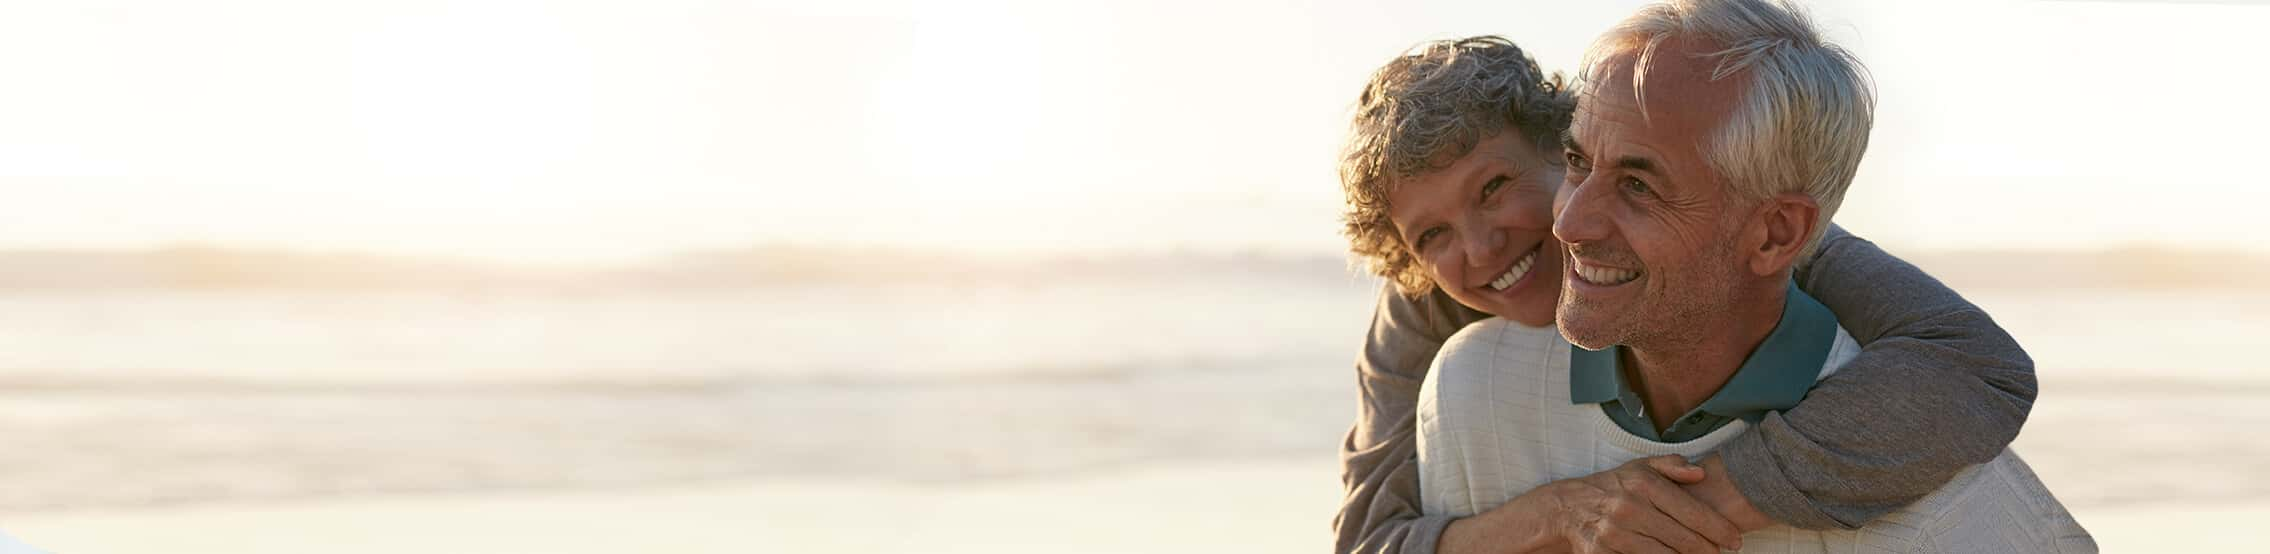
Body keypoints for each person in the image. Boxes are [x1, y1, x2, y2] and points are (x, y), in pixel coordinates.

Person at [1329, 6, 2045, 554]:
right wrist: (1566, 511)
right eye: (1432, 236)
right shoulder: (1429, 317)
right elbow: (1369, 538)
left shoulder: (1765, 242)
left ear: (1565, 144)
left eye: (1495, 187)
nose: (1480, 247)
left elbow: (1977, 366)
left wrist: (1710, 499)